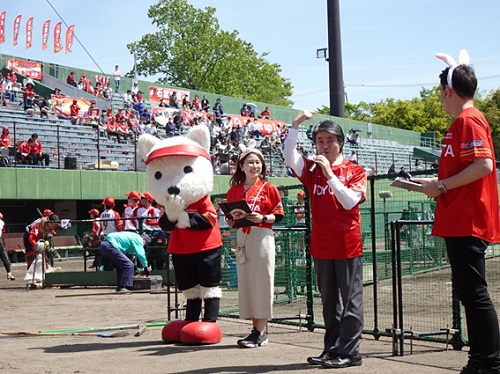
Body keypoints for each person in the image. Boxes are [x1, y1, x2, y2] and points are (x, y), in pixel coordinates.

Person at [412, 49, 500, 374]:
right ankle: (479, 360)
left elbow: (484, 165)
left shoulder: (469, 119)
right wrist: (434, 183)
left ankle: (490, 363)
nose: (439, 100)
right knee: (468, 293)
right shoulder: (462, 122)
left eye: (440, 93)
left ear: (448, 90)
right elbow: (466, 169)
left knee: (475, 294)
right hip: (458, 219)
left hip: (468, 220)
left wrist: (443, 186)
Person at [284, 110, 367, 368]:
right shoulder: (312, 168)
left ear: (340, 142)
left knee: (351, 302)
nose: (325, 145)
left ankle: (351, 352)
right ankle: (331, 349)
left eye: (330, 140)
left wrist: (331, 176)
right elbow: (289, 156)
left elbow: (350, 201)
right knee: (329, 303)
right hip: (321, 245)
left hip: (347, 245)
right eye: (320, 140)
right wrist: (296, 125)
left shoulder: (354, 170)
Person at [225, 145, 284, 348]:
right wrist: (232, 221)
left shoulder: (269, 188)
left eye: (258, 162)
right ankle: (257, 331)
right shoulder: (234, 190)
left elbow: (277, 215)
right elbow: (231, 217)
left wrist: (263, 217)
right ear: (241, 165)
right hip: (242, 236)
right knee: (248, 283)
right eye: (250, 162)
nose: (255, 165)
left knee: (262, 281)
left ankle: (259, 332)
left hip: (262, 235)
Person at [0, 212, 15, 280]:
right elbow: (3, 232)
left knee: (4, 257)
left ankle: (9, 273)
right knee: (4, 257)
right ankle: (9, 273)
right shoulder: (2, 222)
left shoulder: (1, 222)